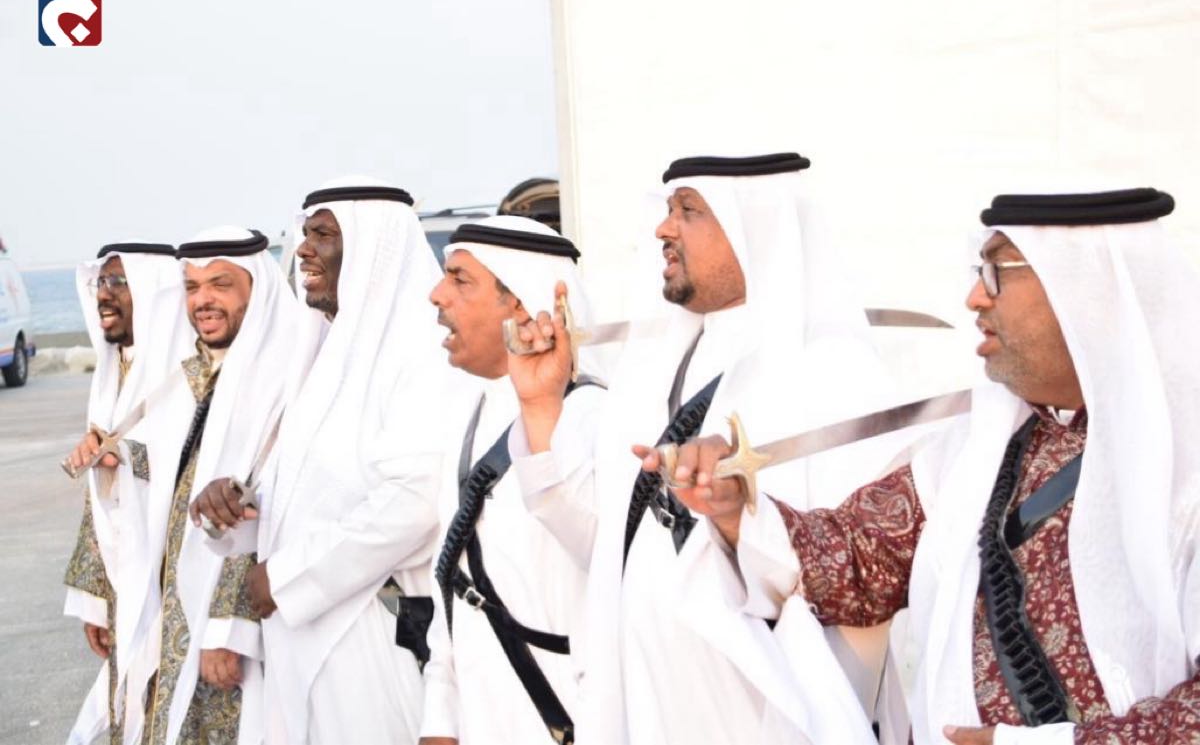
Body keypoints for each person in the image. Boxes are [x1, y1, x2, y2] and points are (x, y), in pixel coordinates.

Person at [666, 188, 1200, 744]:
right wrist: (736, 511)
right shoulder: (976, 449)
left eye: (997, 273)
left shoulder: (1187, 467)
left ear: (1084, 291)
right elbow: (862, 559)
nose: (975, 297)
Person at [510, 153, 907, 744]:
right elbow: (605, 545)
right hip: (648, 709)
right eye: (668, 209)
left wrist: (736, 520)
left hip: (762, 719)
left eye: (688, 211)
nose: (663, 229)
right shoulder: (654, 371)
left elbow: (863, 577)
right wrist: (541, 406)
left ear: (756, 226)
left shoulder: (833, 373)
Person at [191, 180, 455, 744]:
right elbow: (305, 492)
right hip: (302, 637)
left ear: (373, 250)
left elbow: (413, 502)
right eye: (305, 235)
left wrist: (287, 578)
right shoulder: (324, 352)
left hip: (374, 635)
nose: (305, 250)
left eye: (324, 236)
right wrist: (234, 507)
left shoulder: (421, 351)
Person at [420, 216, 606, 745]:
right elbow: (450, 580)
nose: (437, 295)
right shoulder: (468, 414)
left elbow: (604, 560)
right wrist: (439, 720)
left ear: (520, 305)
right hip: (479, 720)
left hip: (567, 717)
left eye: (460, 280)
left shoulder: (589, 416)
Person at [116, 226, 298, 745]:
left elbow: (269, 505)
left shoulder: (283, 372)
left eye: (220, 284)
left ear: (258, 288)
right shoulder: (192, 370)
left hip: (238, 621)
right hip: (175, 602)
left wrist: (228, 628)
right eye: (192, 287)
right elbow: (179, 467)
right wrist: (117, 452)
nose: (203, 301)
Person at [63, 241, 192, 745]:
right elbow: (100, 501)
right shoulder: (112, 373)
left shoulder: (191, 372)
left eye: (119, 282)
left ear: (156, 293)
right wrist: (97, 600)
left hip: (183, 590)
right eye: (101, 283)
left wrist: (127, 456)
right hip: (127, 585)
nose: (104, 295)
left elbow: (200, 466)